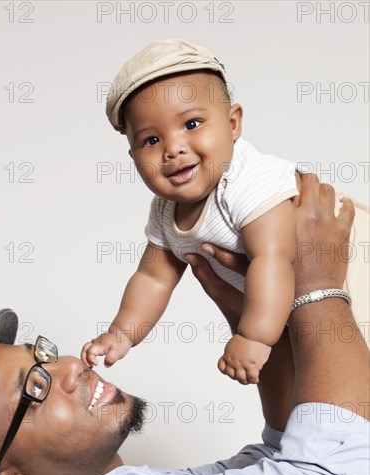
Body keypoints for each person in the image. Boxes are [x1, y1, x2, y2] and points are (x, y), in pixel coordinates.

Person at [0, 175, 369, 475]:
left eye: (43, 355)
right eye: (35, 388)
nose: (69, 367)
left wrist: (254, 318)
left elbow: (283, 459)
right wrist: (316, 284)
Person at [82, 38, 369, 384]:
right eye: (151, 140)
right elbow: (153, 277)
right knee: (310, 382)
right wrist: (121, 334)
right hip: (292, 300)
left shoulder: (248, 180)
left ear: (233, 124)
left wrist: (253, 337)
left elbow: (273, 258)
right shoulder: (164, 210)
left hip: (351, 267)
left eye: (191, 124)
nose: (173, 149)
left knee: (341, 375)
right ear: (133, 157)